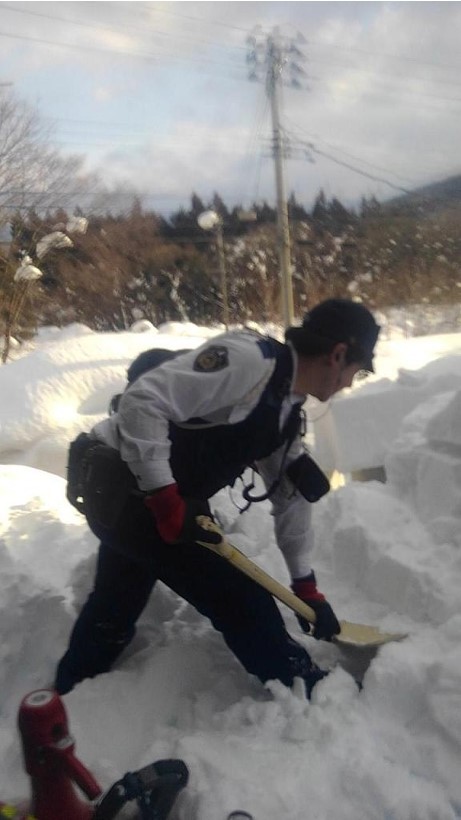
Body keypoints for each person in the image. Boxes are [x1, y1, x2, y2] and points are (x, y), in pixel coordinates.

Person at [56, 298, 380, 699]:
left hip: (144, 499)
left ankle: (68, 691)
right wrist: (165, 498)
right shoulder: (248, 362)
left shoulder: (286, 410)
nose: (349, 382)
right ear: (338, 354)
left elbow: (290, 498)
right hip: (121, 488)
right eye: (356, 370)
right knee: (241, 600)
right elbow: (143, 401)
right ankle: (305, 686)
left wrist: (306, 586)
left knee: (116, 599)